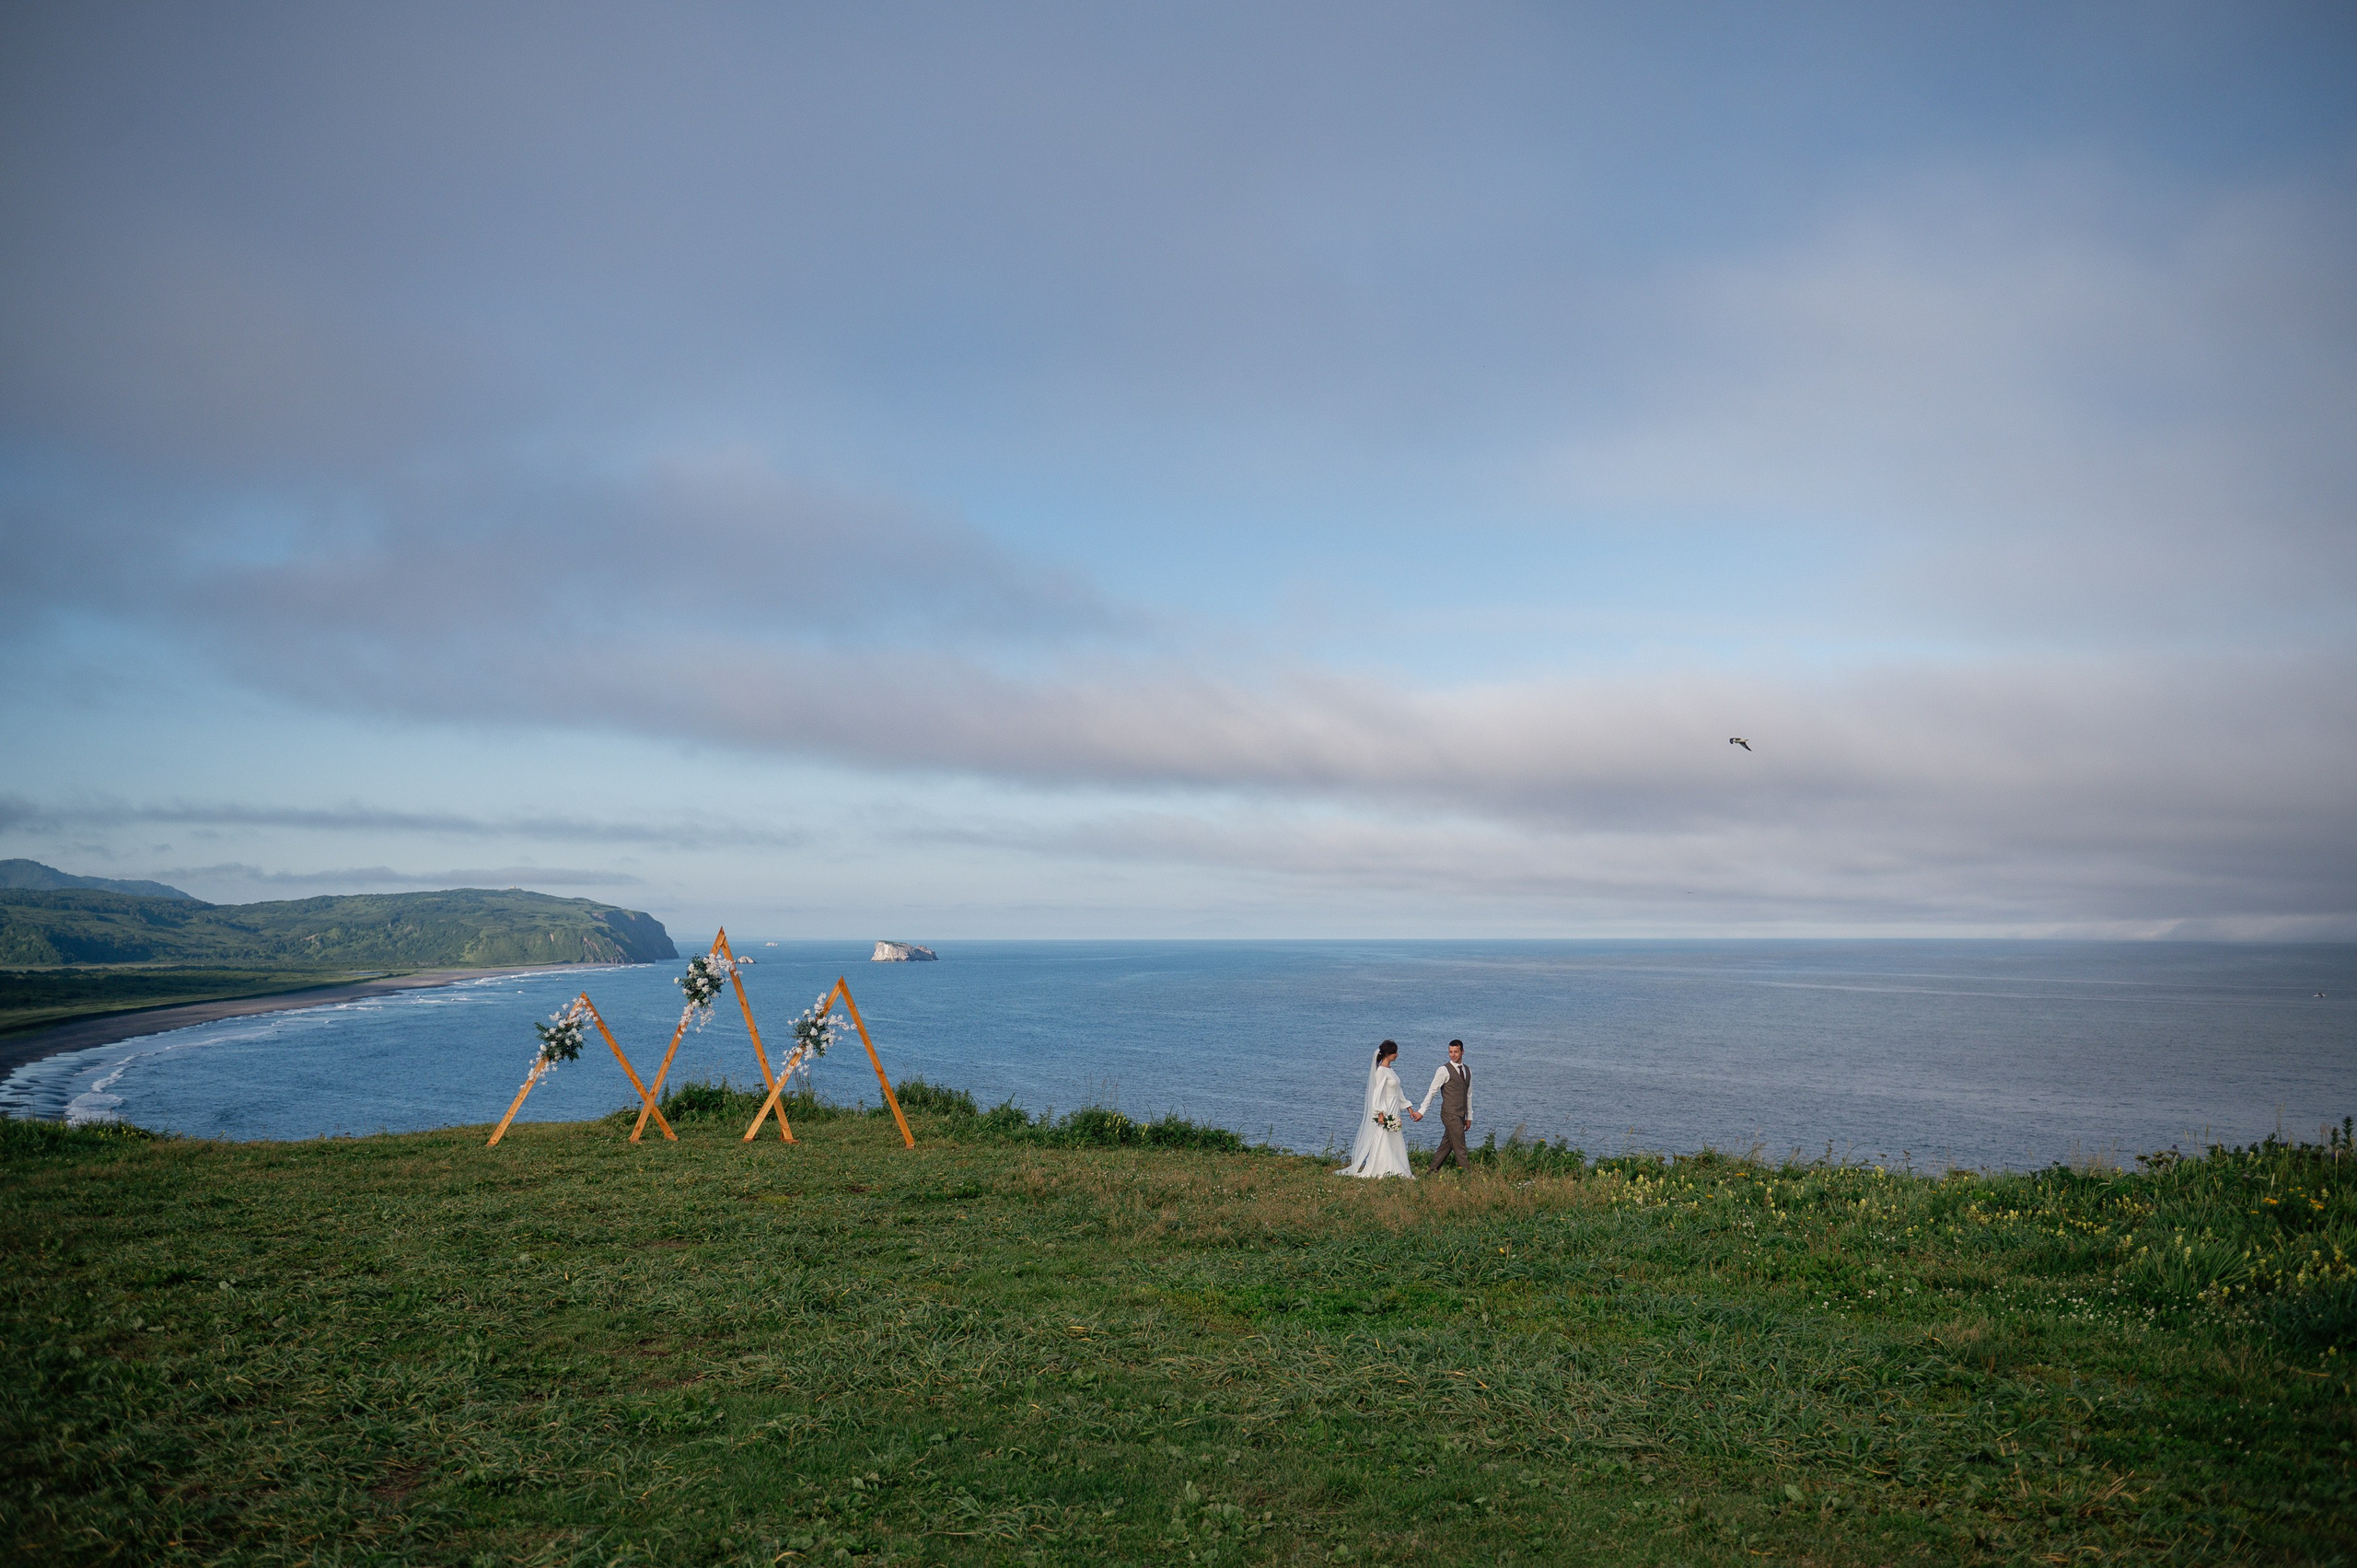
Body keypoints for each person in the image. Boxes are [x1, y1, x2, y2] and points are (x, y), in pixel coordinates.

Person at [1337, 1040, 1416, 1179]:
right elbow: (1377, 1094)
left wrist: (1408, 1107)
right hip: (1386, 1109)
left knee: (1394, 1138)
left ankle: (1397, 1167)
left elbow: (1398, 1091)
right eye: (1395, 1053)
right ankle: (1384, 1168)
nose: (1397, 1055)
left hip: (1394, 1108)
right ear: (1388, 1054)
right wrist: (1380, 1113)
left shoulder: (1390, 1070)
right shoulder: (1381, 1071)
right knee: (1383, 1137)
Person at [1418, 1038, 1472, 1172]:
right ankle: (1467, 1177)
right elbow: (1432, 1091)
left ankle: (1430, 1173)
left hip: (1461, 1115)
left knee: (1446, 1145)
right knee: (1460, 1147)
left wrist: (1469, 1116)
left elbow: (1469, 1094)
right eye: (1450, 1052)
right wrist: (1422, 1111)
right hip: (1449, 1114)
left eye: (1456, 1052)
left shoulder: (1467, 1070)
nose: (1453, 1055)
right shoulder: (1443, 1070)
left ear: (1462, 1052)